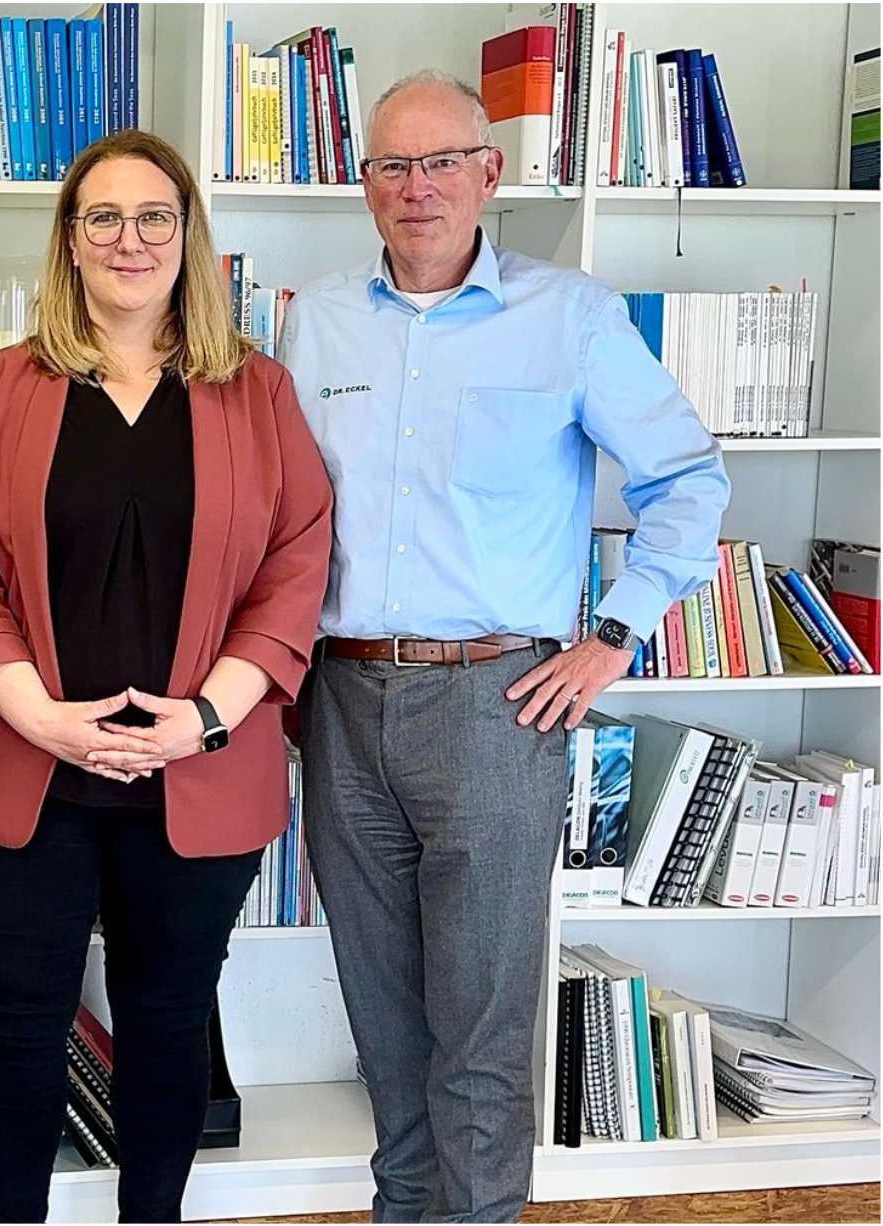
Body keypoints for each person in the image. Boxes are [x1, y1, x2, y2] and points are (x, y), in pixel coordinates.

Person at [279, 72, 731, 1223]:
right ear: (362, 183)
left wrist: (613, 633)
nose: (416, 186)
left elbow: (686, 478)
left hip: (495, 701)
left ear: (488, 173)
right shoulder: (313, 319)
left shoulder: (568, 315)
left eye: (441, 161)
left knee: (478, 1030)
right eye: (392, 164)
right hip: (337, 698)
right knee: (382, 1020)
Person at [0, 129, 332, 1223]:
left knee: (167, 1020)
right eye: (101, 217)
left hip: (198, 767)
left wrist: (203, 718)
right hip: (23, 767)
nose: (128, 240)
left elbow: (295, 566)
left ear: (188, 236)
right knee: (18, 1026)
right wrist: (38, 717)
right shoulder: (2, 386)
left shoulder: (258, 392)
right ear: (69, 240)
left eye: (154, 216)